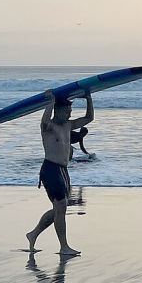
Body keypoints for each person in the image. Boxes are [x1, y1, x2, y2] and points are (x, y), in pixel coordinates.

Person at [25, 90, 93, 255]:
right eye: (67, 111)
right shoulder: (49, 127)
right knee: (61, 207)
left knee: (59, 209)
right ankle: (64, 247)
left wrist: (89, 98)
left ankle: (33, 234)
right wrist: (50, 102)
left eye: (70, 112)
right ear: (58, 110)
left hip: (63, 171)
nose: (69, 114)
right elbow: (44, 121)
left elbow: (89, 118)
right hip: (50, 169)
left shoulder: (67, 125)